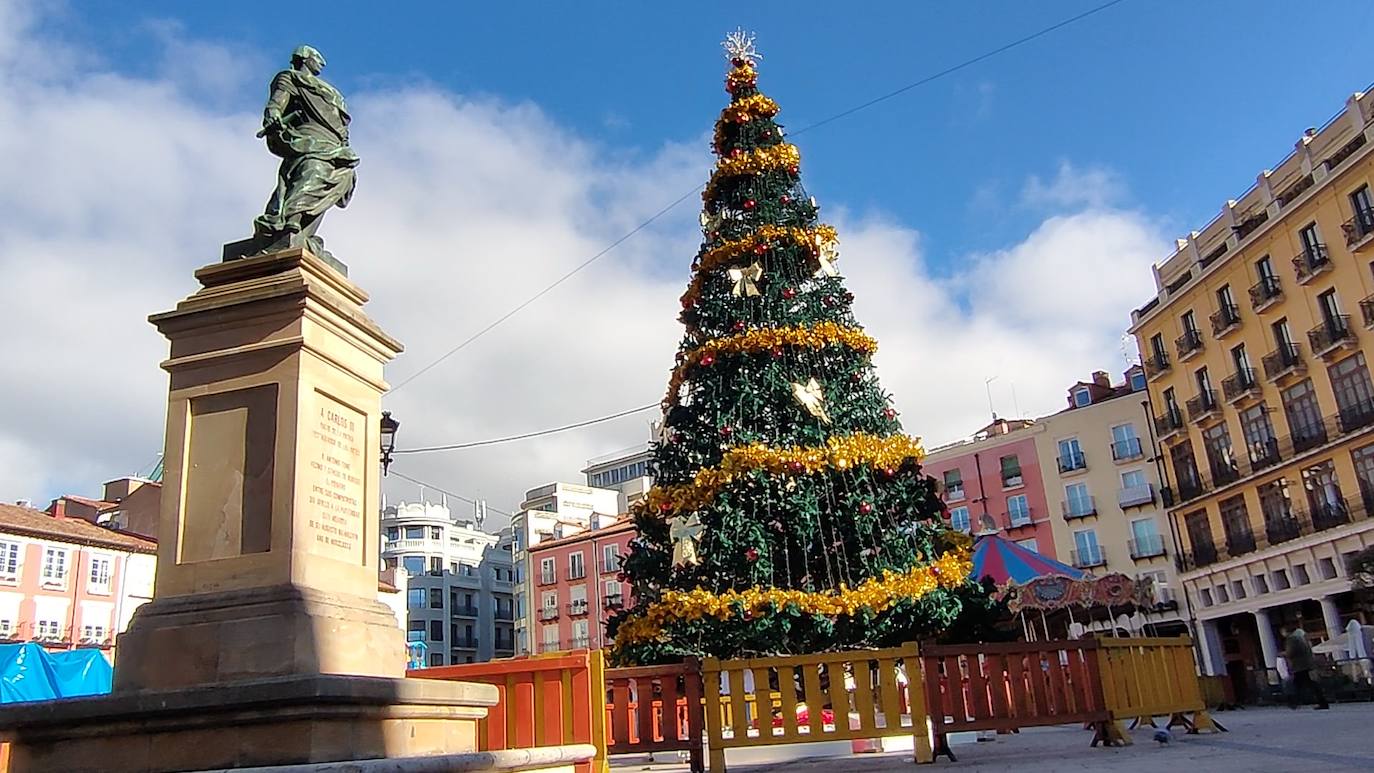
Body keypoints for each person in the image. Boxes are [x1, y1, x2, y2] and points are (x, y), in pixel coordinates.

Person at [252, 45, 359, 256]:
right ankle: (290, 221)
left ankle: (302, 232)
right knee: (314, 173)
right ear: (303, 58)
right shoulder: (290, 77)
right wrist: (272, 115)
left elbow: (341, 125)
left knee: (341, 179)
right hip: (307, 140)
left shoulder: (330, 92)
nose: (322, 62)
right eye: (317, 57)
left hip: (334, 146)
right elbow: (276, 103)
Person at [1282, 626, 1329, 709]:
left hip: (1299, 665)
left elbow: (1291, 652)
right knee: (1304, 683)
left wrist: (1284, 654)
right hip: (1305, 664)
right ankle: (1320, 701)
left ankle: (1295, 702)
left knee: (1300, 684)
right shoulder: (1300, 638)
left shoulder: (1291, 640)